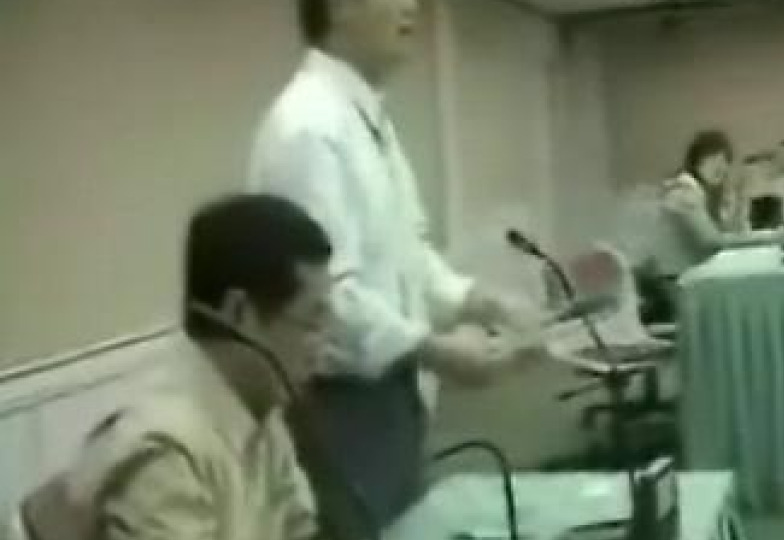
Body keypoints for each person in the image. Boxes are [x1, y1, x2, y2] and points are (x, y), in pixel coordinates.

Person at [248, 0, 544, 526]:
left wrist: (480, 301)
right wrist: (436, 351)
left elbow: (409, 252)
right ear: (338, 9)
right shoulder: (307, 127)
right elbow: (327, 295)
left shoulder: (366, 118)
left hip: (392, 392)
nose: (411, 7)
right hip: (342, 402)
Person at [16, 194, 335, 540]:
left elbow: (298, 527)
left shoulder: (259, 412)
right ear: (239, 312)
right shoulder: (166, 453)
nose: (324, 344)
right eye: (313, 321)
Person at [653, 130, 784, 275]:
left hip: (688, 274)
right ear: (697, 161)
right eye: (713, 159)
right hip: (673, 278)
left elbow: (731, 232)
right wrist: (766, 238)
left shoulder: (702, 193)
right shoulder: (683, 190)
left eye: (725, 161)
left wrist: (742, 199)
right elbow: (712, 242)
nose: (721, 167)